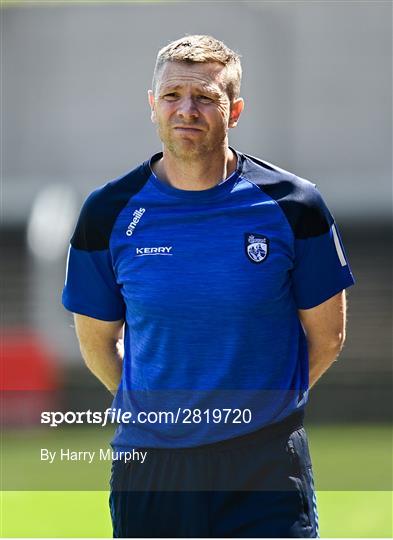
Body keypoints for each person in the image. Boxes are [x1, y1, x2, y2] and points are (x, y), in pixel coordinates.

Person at [62, 34, 354, 538]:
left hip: (264, 463)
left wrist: (259, 410)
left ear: (234, 110)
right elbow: (96, 344)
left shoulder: (295, 205)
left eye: (206, 97)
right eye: (173, 95)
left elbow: (327, 337)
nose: (187, 110)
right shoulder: (107, 212)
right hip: (152, 464)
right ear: (153, 106)